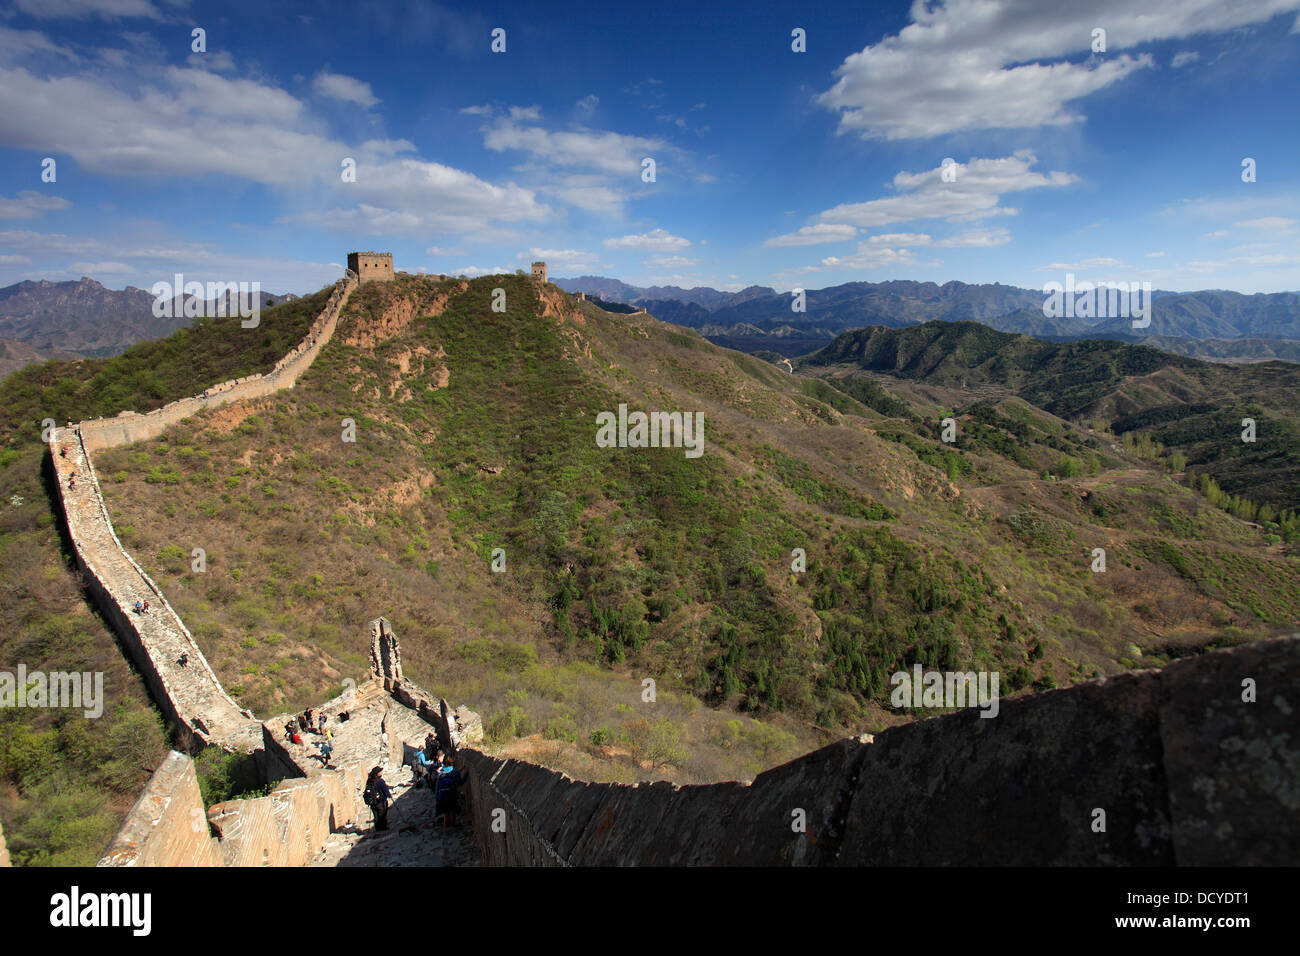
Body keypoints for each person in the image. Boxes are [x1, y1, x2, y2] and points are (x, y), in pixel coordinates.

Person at [434, 755, 467, 828]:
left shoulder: (440, 772)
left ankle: (446, 826)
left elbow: (437, 787)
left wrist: (437, 797)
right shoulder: (455, 771)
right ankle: (452, 826)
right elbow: (460, 783)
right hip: (451, 794)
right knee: (452, 810)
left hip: (442, 795)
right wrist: (466, 774)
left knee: (446, 811)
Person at [364, 767, 391, 831]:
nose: (381, 772)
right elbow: (385, 790)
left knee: (376, 816)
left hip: (372, 802)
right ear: (377, 774)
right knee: (382, 815)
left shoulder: (369, 781)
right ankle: (383, 828)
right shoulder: (380, 781)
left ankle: (378, 828)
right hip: (380, 801)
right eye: (380, 771)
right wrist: (389, 795)